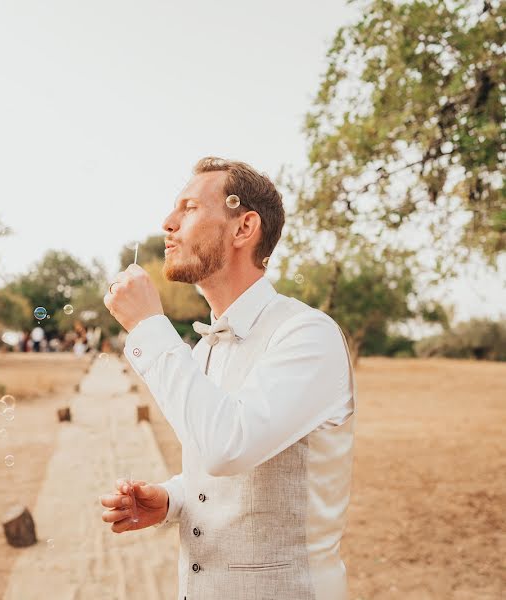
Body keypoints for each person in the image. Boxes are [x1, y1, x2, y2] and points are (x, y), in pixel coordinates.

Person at [100, 157, 355, 600]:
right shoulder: (204, 348)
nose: (168, 223)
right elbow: (226, 469)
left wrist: (148, 326)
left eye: (190, 207)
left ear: (243, 228)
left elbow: (227, 446)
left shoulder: (307, 335)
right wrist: (171, 499)